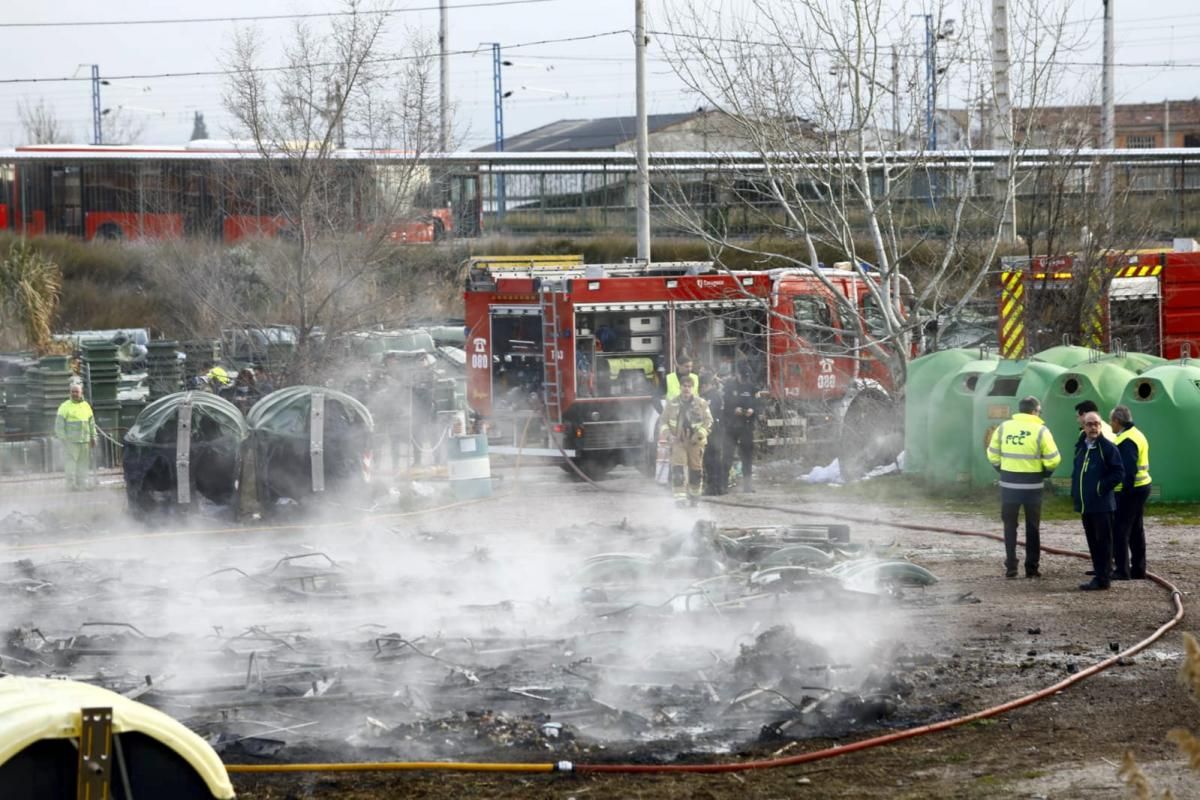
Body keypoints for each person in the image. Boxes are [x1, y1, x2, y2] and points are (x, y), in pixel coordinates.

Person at [987, 396, 1062, 578]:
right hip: (1033, 486)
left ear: (1020, 410)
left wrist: (1002, 469)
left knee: (1009, 526)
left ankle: (1011, 566)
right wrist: (1044, 472)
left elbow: (992, 454)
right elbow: (1054, 459)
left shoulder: (1004, 427)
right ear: (1035, 411)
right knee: (1032, 527)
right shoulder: (1041, 431)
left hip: (1008, 485)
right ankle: (1031, 567)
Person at [1071, 411, 1126, 591]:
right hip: (1086, 505)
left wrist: (1100, 487)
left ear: (1101, 426)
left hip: (1102, 505)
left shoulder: (1108, 448)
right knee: (1093, 542)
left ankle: (1103, 579)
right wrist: (1075, 494)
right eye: (1089, 424)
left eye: (1096, 424)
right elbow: (1077, 473)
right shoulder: (1081, 447)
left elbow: (1119, 473)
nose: (1093, 427)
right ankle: (1100, 574)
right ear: (1083, 427)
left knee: (1103, 542)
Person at [1110, 404, 1151, 580]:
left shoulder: (1126, 440)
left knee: (1120, 529)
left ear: (1117, 421)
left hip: (1131, 490)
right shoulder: (1137, 434)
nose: (1110, 424)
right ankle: (1138, 569)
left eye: (1111, 420)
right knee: (1136, 529)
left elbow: (1128, 471)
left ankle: (1122, 570)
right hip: (1142, 487)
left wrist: (1122, 494)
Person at [660, 377, 713, 506]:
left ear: (693, 388)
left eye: (689, 386)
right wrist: (669, 436)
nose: (686, 388)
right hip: (678, 441)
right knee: (678, 470)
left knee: (695, 471)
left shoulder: (701, 403)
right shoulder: (671, 403)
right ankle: (680, 499)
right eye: (684, 386)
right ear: (680, 387)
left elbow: (709, 421)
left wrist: (699, 434)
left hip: (695, 442)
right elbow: (663, 422)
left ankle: (694, 498)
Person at [723, 363, 762, 493]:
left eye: (746, 377)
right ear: (737, 374)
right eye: (742, 377)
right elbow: (724, 405)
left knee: (747, 456)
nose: (743, 380)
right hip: (731, 426)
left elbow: (759, 404)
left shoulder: (752, 387)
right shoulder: (729, 386)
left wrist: (753, 410)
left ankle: (748, 485)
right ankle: (723, 484)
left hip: (746, 425)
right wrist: (735, 410)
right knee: (728, 454)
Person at [54, 381, 97, 491]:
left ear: (81, 392)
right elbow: (59, 426)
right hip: (71, 442)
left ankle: (82, 484)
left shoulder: (86, 406)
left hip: (85, 441)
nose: (74, 393)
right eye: (72, 391)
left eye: (76, 391)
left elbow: (92, 424)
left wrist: (93, 437)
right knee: (70, 464)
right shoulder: (64, 406)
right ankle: (71, 486)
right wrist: (64, 439)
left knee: (83, 464)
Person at [700, 371, 726, 495]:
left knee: (710, 460)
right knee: (715, 459)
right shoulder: (716, 395)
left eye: (702, 387)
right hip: (717, 431)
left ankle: (713, 487)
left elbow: (709, 415)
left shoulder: (711, 397)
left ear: (705, 385)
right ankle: (718, 487)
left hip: (712, 432)